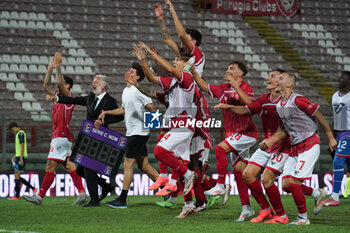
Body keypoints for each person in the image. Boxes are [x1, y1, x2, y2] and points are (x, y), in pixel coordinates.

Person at [214, 69, 291, 223]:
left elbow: (290, 128)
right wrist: (228, 106)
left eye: (273, 76)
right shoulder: (264, 99)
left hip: (284, 147)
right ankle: (265, 209)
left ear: (282, 81)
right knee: (247, 174)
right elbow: (246, 109)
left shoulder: (287, 102)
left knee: (277, 182)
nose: (268, 78)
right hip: (267, 146)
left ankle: (282, 215)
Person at [260, 72, 337, 225]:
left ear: (289, 84)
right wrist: (271, 140)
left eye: (281, 78)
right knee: (286, 185)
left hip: (309, 143)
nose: (277, 80)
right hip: (295, 147)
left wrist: (330, 137)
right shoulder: (279, 105)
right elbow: (286, 129)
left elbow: (319, 116)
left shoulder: (298, 99)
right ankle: (316, 193)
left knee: (294, 183)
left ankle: (303, 218)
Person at [134, 42, 197, 218]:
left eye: (177, 59)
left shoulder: (186, 77)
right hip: (178, 123)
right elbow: (153, 79)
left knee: (159, 151)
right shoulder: (173, 81)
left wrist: (153, 56)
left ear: (185, 64)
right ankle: (188, 204)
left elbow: (168, 68)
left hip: (184, 123)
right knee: (179, 164)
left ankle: (187, 174)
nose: (174, 61)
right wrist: (144, 61)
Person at [191, 60, 258, 221]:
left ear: (240, 73)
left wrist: (235, 86)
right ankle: (248, 208)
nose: (227, 70)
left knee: (220, 149)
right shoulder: (222, 89)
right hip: (234, 136)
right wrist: (193, 72)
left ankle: (220, 185)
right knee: (240, 172)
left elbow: (250, 104)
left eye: (231, 68)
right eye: (227, 68)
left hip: (247, 133)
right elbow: (204, 86)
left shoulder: (246, 87)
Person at [45, 74, 124, 207]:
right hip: (87, 137)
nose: (92, 84)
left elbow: (120, 116)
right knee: (81, 170)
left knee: (88, 167)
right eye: (93, 81)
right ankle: (105, 186)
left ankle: (94, 199)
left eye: (96, 82)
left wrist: (104, 120)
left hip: (100, 138)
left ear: (103, 85)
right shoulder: (90, 98)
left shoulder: (110, 101)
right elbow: (73, 100)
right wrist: (56, 98)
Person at [23, 52, 88, 206]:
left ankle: (39, 197)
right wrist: (50, 68)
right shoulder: (59, 96)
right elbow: (46, 85)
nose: (59, 84)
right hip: (61, 136)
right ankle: (82, 193)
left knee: (50, 166)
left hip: (61, 135)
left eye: (62, 83)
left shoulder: (68, 98)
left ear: (68, 86)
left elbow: (58, 83)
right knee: (69, 165)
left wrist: (58, 67)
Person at [97, 63, 159, 208]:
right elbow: (124, 109)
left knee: (128, 163)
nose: (128, 72)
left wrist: (150, 126)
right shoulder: (126, 90)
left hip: (139, 132)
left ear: (137, 76)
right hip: (132, 132)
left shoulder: (139, 91)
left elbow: (151, 107)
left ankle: (122, 199)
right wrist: (106, 112)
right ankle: (168, 190)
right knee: (143, 165)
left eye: (131, 71)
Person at [154, 0, 205, 76]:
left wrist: (173, 12)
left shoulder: (197, 53)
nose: (182, 41)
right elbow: (167, 40)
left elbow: (181, 35)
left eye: (186, 38)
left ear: (194, 42)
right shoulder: (183, 51)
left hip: (192, 86)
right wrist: (160, 18)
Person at [323, 71, 350, 206]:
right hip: (340, 134)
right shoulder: (335, 96)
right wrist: (332, 137)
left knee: (337, 162)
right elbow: (336, 117)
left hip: (349, 133)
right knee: (347, 165)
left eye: (342, 78)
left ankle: (334, 196)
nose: (338, 79)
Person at [8, 122, 37, 200]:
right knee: (17, 175)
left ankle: (18, 195)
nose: (12, 131)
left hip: (21, 157)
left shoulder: (21, 134)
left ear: (15, 127)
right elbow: (19, 148)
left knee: (17, 175)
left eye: (12, 130)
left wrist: (20, 158)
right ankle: (31, 189)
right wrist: (15, 156)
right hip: (18, 157)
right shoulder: (18, 134)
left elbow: (22, 146)